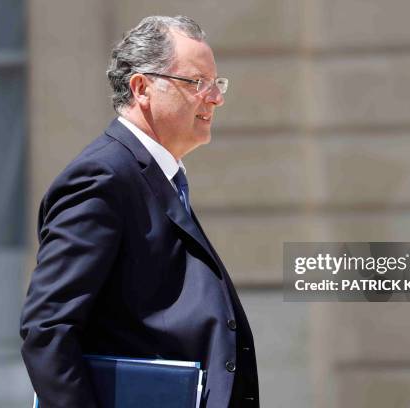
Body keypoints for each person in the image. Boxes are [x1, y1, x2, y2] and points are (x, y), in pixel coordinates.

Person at [19, 15, 259, 408]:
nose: (216, 97)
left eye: (217, 83)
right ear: (142, 87)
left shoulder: (158, 176)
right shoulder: (102, 177)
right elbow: (48, 330)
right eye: (198, 82)